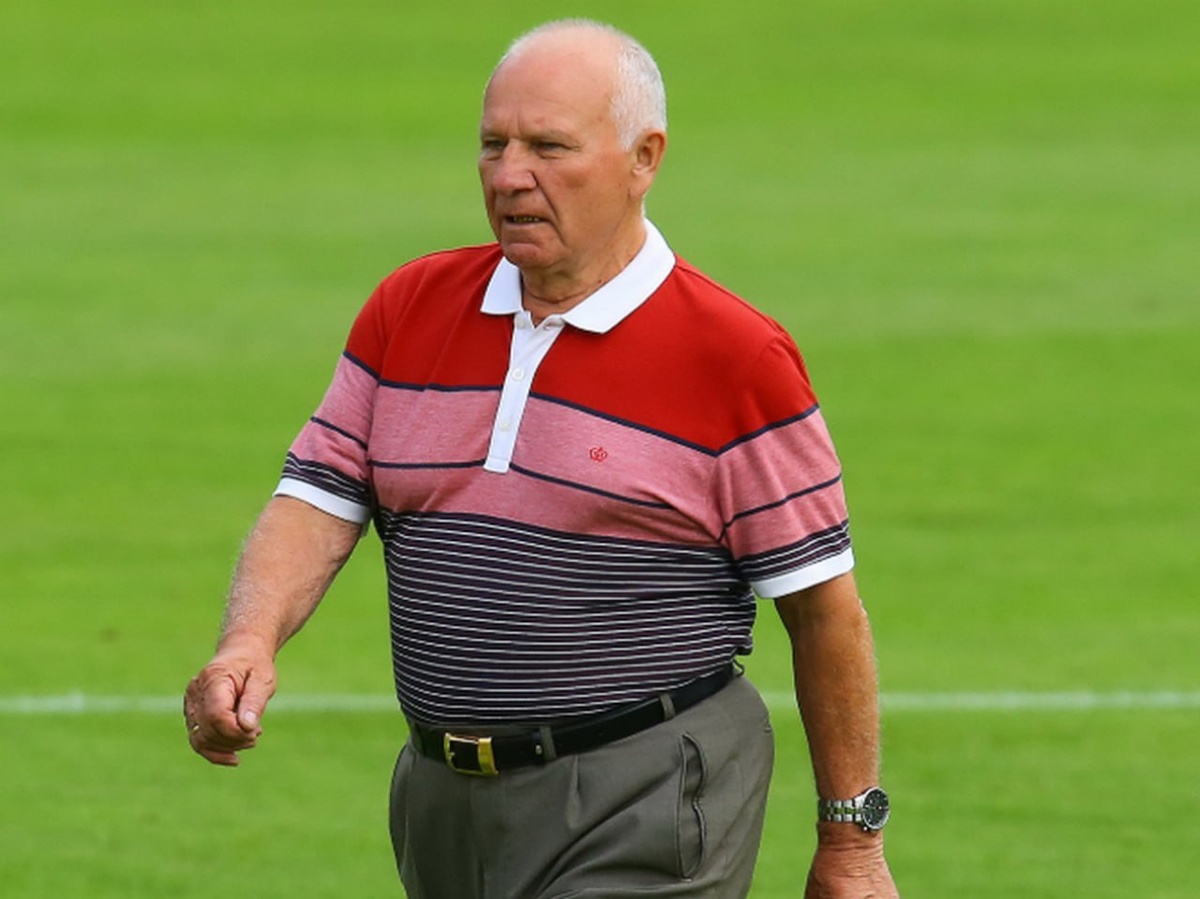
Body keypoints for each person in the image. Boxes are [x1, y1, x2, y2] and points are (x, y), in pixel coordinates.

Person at [184, 18, 898, 899]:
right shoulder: (410, 308)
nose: (510, 174)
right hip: (442, 797)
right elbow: (317, 499)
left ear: (644, 158)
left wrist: (852, 840)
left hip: (645, 788)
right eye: (494, 145)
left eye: (549, 148)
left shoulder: (735, 359)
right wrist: (247, 640)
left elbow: (824, 612)